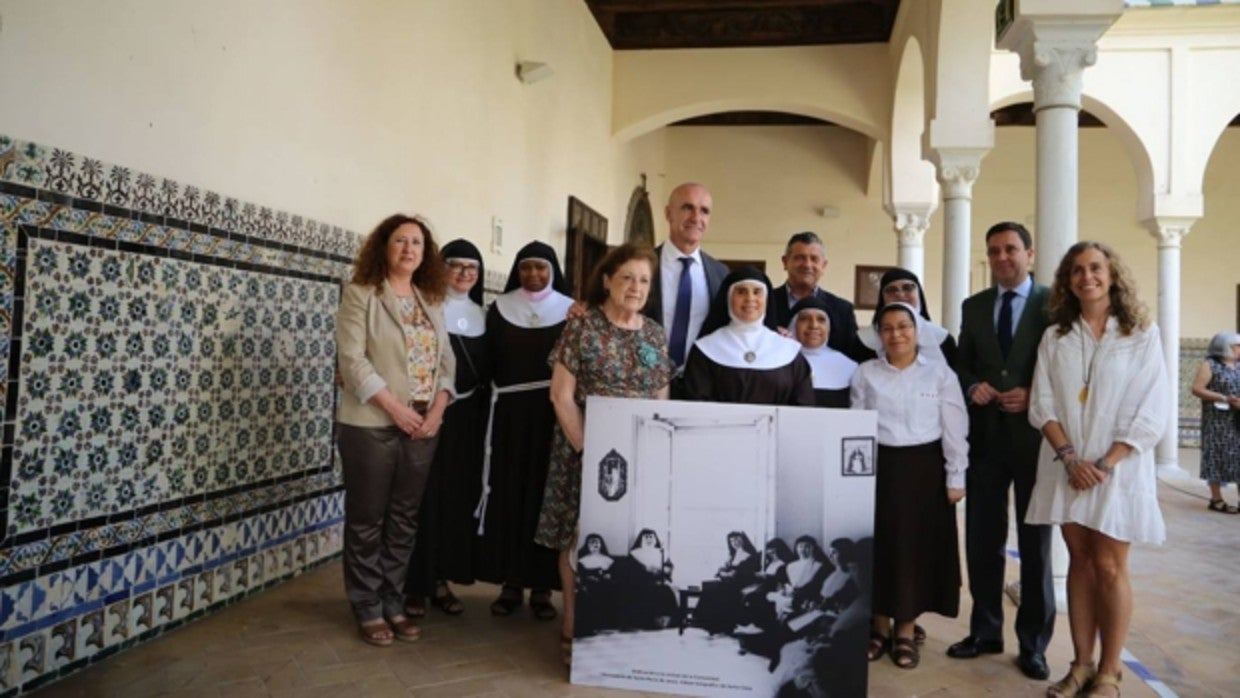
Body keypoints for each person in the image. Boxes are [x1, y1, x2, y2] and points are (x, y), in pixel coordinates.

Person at [1027, 241, 1168, 698]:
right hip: (1066, 464)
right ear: (1067, 281)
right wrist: (1070, 458)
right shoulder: (1056, 337)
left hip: (1118, 468)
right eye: (1076, 270)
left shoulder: (1141, 333)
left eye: (1096, 268)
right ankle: (1082, 664)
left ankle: (1110, 672)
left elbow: (1151, 407)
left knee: (1109, 565)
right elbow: (1041, 403)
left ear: (1112, 275)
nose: (1086, 276)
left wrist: (1104, 463)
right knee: (1080, 561)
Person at [533, 243, 674, 662]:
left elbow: (662, 394)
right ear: (608, 280)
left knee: (628, 536)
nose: (636, 287)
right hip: (585, 451)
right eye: (627, 277)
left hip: (640, 454)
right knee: (581, 537)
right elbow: (561, 396)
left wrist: (650, 450)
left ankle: (618, 621)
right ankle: (575, 624)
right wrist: (587, 451)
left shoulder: (653, 333)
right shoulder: (582, 327)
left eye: (644, 280)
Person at [335, 213, 455, 646]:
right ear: (384, 247)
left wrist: (438, 407)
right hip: (371, 425)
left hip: (424, 427)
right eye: (401, 241)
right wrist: (395, 408)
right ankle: (366, 604)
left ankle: (392, 599)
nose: (409, 249)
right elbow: (352, 360)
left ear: (426, 254)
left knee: (404, 519)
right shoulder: (362, 294)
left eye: (418, 243)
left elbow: (446, 363)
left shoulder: (432, 299)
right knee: (368, 520)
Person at [948, 221, 1056, 681]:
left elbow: (1063, 366)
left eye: (1011, 249)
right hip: (987, 440)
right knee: (982, 540)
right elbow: (963, 362)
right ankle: (986, 630)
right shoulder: (973, 306)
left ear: (1029, 254)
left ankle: (1033, 643)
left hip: (1036, 441)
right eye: (993, 252)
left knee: (1036, 545)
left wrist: (1035, 393)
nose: (1002, 258)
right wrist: (973, 385)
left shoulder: (1053, 304)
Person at [850, 302, 967, 670]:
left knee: (915, 552)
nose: (896, 334)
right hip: (880, 470)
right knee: (880, 549)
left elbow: (954, 426)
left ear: (917, 331)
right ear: (878, 334)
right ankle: (879, 628)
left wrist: (956, 475)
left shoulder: (939, 374)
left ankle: (906, 630)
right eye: (887, 328)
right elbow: (856, 426)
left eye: (904, 326)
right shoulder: (865, 373)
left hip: (924, 472)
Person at [474, 241, 573, 621]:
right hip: (508, 417)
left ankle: (543, 589)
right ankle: (510, 583)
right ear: (517, 270)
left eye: (541, 268)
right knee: (509, 495)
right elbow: (487, 363)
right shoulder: (499, 309)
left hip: (553, 417)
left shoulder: (571, 312)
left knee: (543, 498)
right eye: (527, 267)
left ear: (553, 271)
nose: (533, 275)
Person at [403, 239, 488, 618]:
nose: (465, 274)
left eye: (473, 267)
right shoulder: (426, 307)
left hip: (470, 421)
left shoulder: (485, 314)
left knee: (454, 500)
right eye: (456, 266)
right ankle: (413, 585)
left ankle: (441, 580)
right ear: (441, 268)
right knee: (421, 500)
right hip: (430, 415)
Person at [644, 182, 730, 396]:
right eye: (687, 207)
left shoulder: (721, 275)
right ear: (668, 213)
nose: (696, 217)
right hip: (645, 382)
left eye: (704, 211)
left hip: (701, 388)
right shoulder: (642, 265)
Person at [683, 267, 815, 407]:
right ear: (728, 298)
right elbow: (696, 407)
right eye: (741, 292)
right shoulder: (705, 349)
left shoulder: (789, 351)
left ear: (766, 299)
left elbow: (803, 408)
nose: (750, 298)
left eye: (757, 292)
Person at [770, 231, 864, 361]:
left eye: (814, 259)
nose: (807, 265)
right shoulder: (765, 304)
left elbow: (851, 357)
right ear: (785, 262)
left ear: (823, 265)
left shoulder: (842, 310)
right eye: (799, 258)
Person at [858, 268, 958, 367]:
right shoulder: (863, 339)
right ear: (882, 298)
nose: (900, 295)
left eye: (908, 288)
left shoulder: (942, 338)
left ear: (918, 294)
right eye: (891, 290)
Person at [1191, 331, 1240, 513]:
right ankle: (1216, 499)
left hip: (1237, 419)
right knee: (1217, 457)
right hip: (1217, 421)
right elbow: (1197, 389)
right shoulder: (1210, 365)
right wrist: (1224, 398)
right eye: (1237, 346)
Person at [788, 296, 858, 408]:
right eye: (805, 318)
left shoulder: (849, 367)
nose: (814, 325)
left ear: (829, 327)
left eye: (821, 319)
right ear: (793, 325)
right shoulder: (781, 361)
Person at [691, 531, 761, 635]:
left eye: (737, 539)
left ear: (743, 540)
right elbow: (726, 570)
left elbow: (742, 573)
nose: (735, 542)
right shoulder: (732, 555)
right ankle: (704, 621)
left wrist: (727, 574)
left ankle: (718, 625)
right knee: (709, 588)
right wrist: (722, 572)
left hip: (741, 582)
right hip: (729, 582)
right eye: (732, 541)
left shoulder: (750, 555)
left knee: (720, 591)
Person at [615, 528, 680, 630]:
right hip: (641, 582)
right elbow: (630, 571)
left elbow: (669, 567)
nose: (649, 539)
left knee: (666, 591)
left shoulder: (662, 553)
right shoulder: (634, 554)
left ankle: (664, 622)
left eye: (651, 537)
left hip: (660, 580)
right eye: (646, 537)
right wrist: (645, 569)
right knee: (644, 592)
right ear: (641, 540)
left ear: (655, 540)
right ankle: (646, 622)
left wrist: (665, 570)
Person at [575, 533, 619, 637]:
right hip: (588, 585)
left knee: (611, 590)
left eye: (597, 542)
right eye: (591, 542)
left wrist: (608, 576)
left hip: (605, 584)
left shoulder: (609, 560)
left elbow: (614, 574)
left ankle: (608, 624)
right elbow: (580, 575)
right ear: (587, 545)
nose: (594, 544)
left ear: (601, 544)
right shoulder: (581, 560)